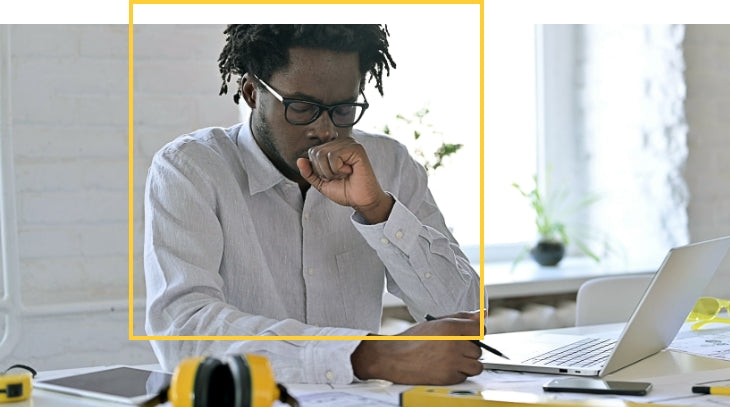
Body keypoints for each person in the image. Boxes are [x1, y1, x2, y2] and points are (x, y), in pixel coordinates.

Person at [144, 24, 485, 385]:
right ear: (251, 92)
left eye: (342, 110)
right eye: (302, 107)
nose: (325, 131)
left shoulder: (390, 164)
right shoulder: (189, 168)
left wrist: (379, 211)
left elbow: (463, 314)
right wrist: (363, 356)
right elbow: (183, 330)